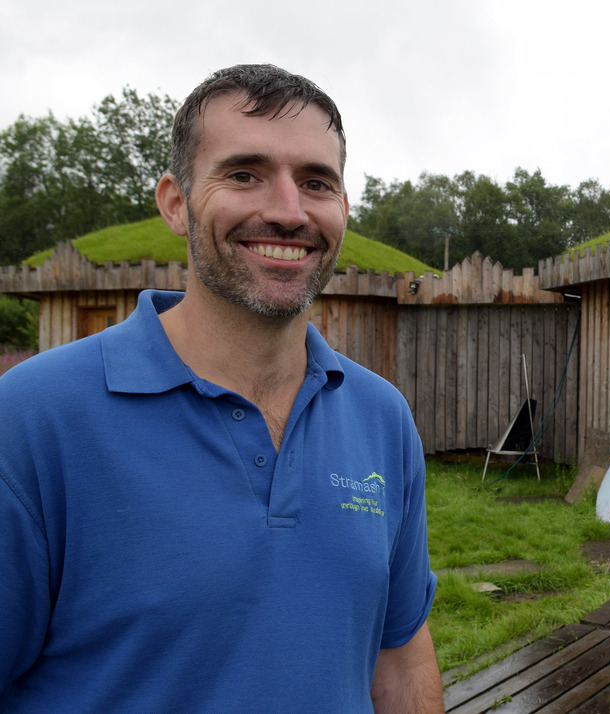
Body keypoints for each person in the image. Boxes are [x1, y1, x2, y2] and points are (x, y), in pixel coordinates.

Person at [0, 64, 442, 712]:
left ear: (343, 209)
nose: (289, 212)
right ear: (176, 201)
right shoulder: (35, 419)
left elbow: (401, 656)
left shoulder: (381, 418)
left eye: (316, 182)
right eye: (244, 174)